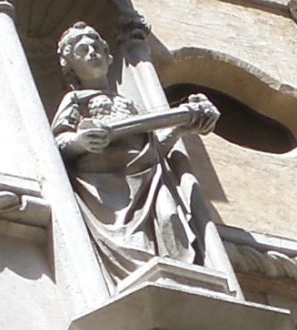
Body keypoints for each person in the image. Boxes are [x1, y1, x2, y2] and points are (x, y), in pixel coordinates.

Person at [49, 24, 216, 275]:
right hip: (105, 185)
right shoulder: (75, 101)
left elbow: (153, 145)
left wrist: (183, 127)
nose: (92, 52)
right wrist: (81, 141)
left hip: (146, 174)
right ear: (70, 66)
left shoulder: (128, 103)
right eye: (82, 50)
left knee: (170, 216)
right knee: (135, 241)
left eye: (96, 47)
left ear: (108, 56)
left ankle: (182, 275)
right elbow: (58, 142)